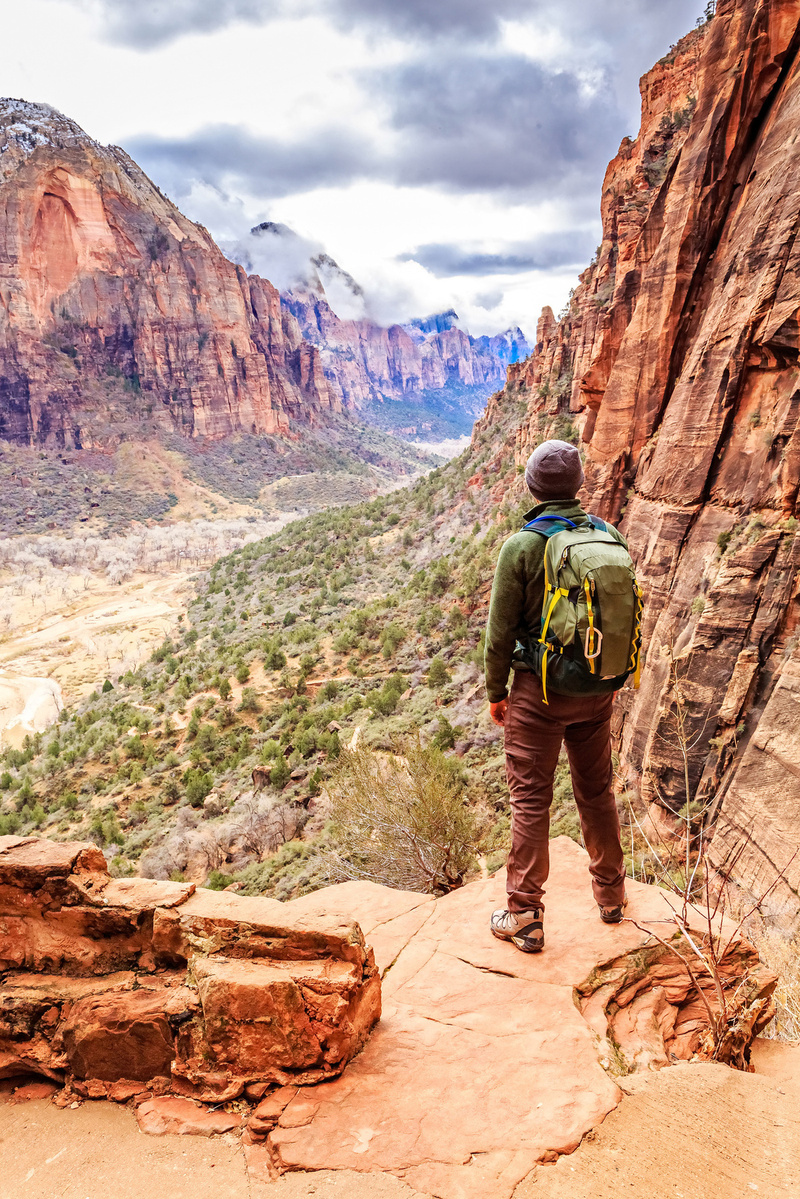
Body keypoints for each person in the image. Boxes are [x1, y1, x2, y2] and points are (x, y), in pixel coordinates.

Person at [484, 439, 630, 953]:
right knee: (596, 792)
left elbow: (499, 632)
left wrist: (496, 692)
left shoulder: (521, 546)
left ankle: (524, 914)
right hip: (597, 690)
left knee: (530, 800)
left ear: (532, 486)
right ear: (578, 486)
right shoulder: (606, 534)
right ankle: (611, 895)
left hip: (539, 694)